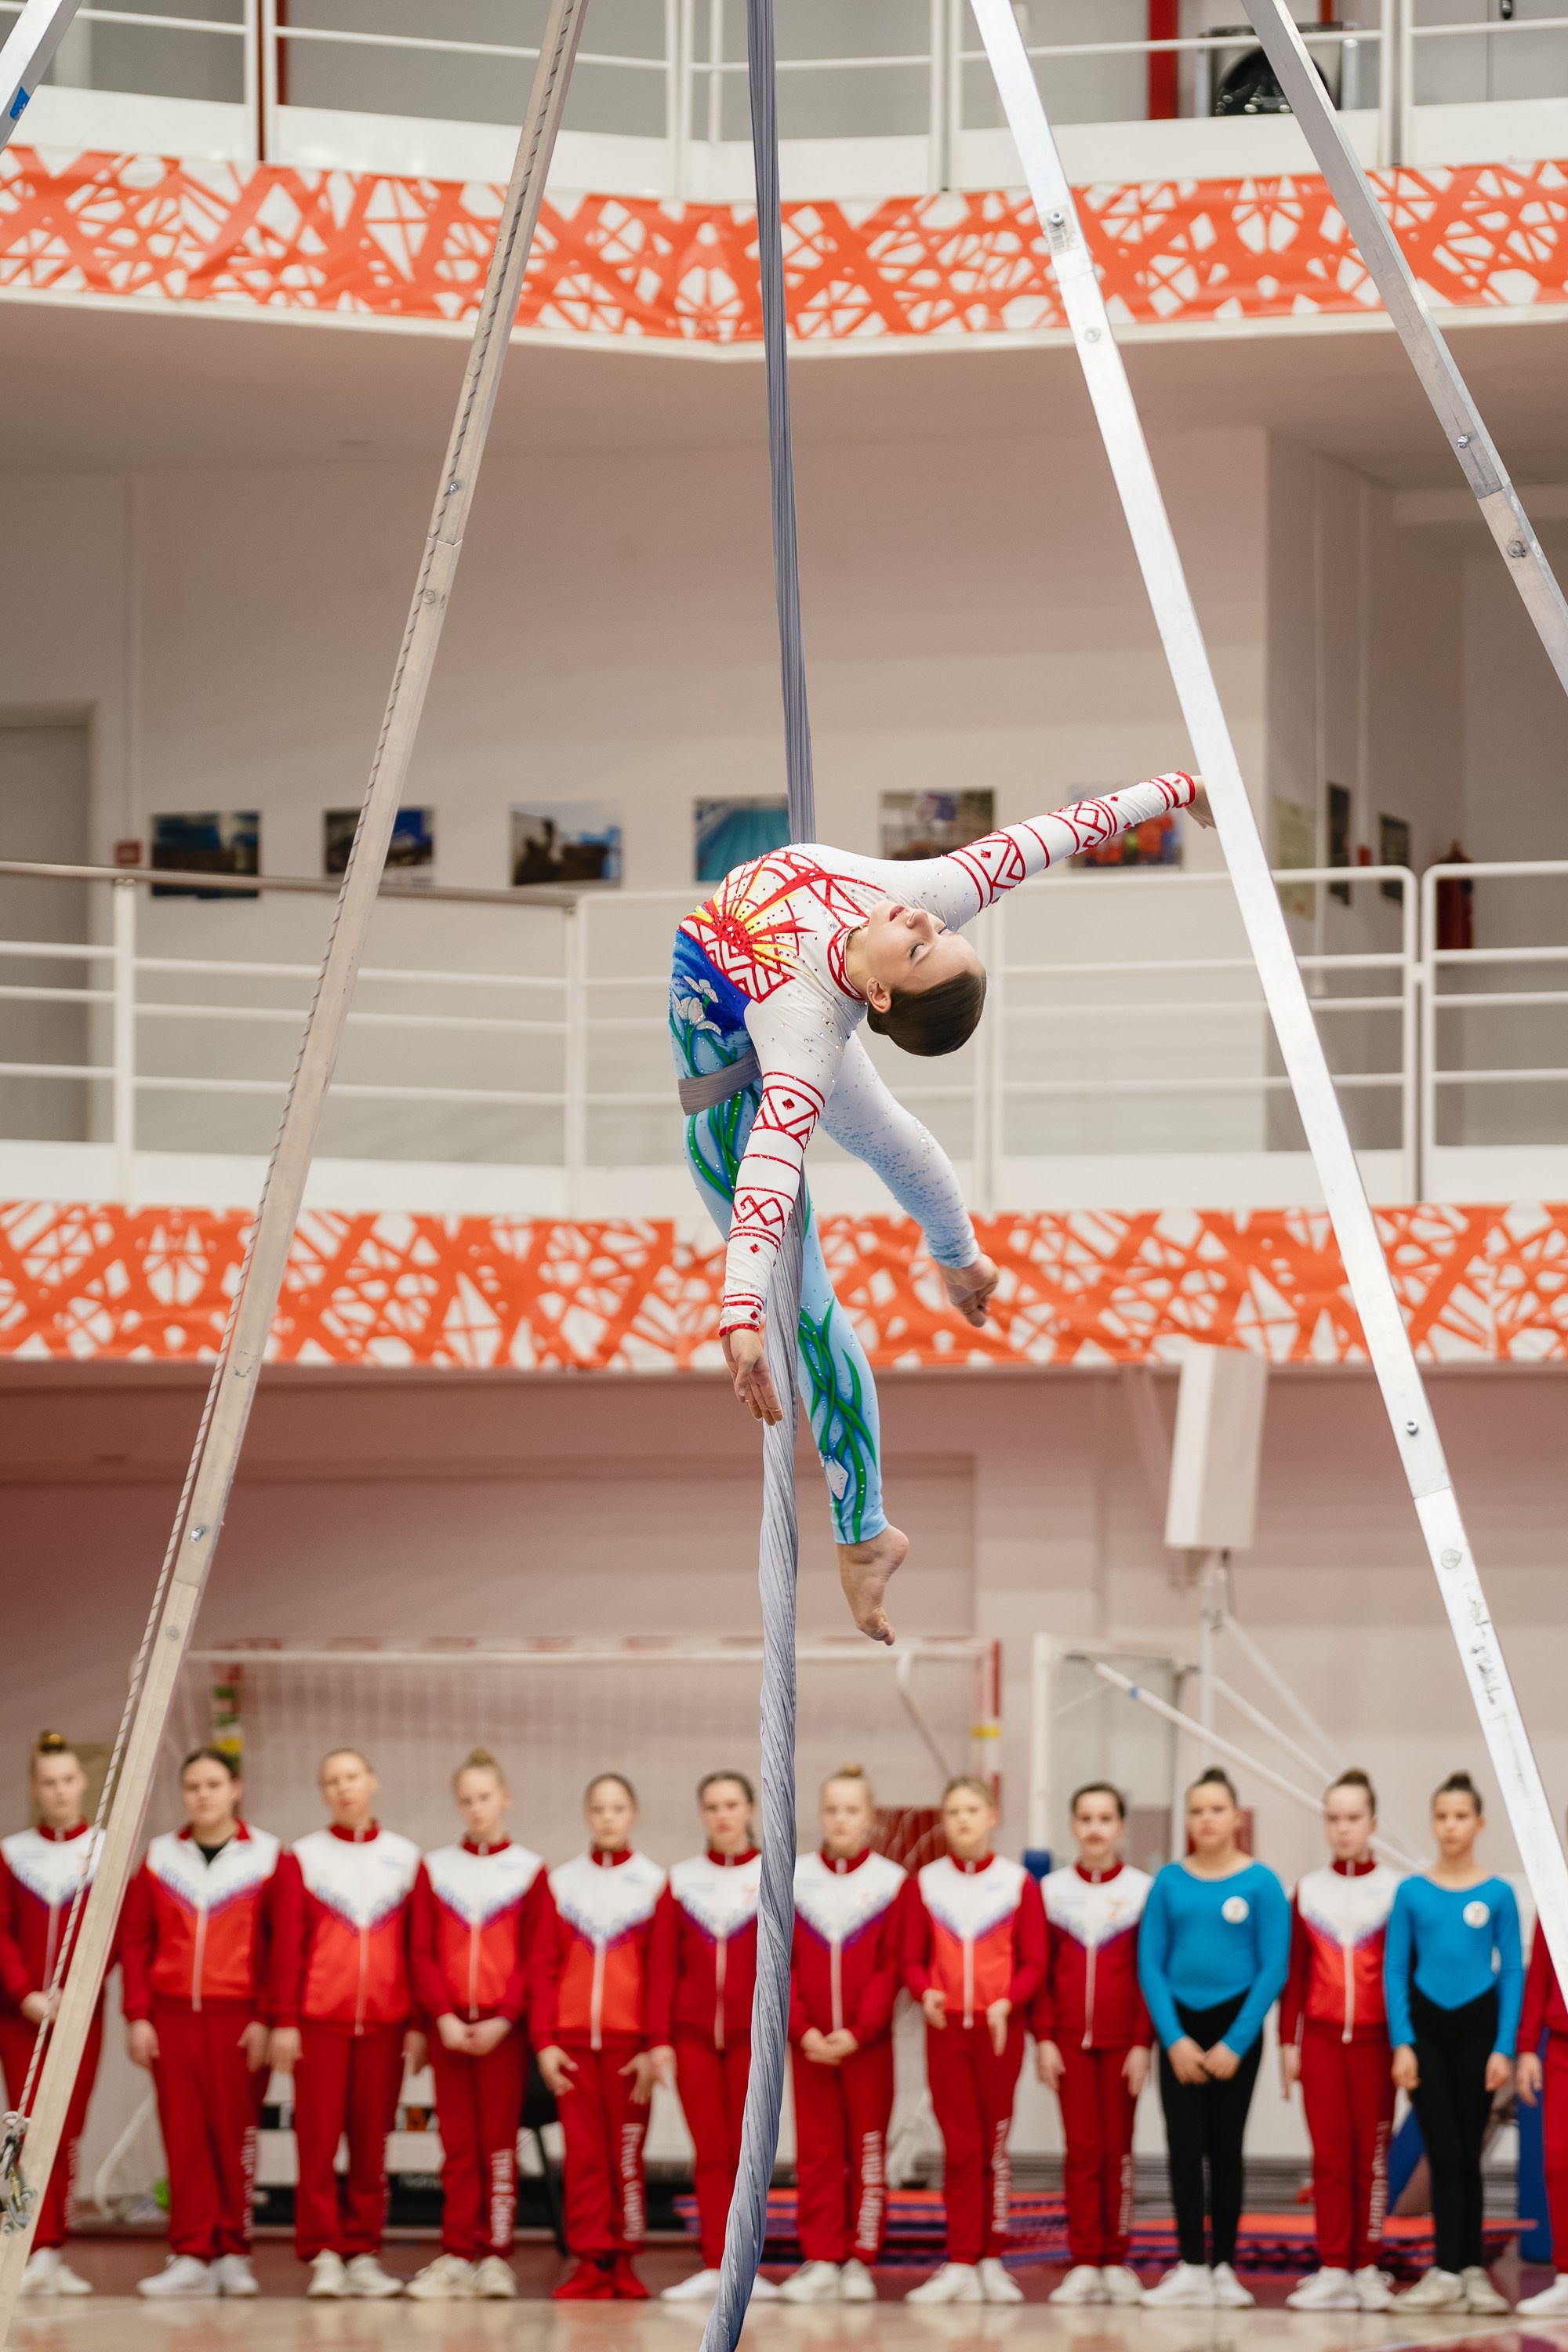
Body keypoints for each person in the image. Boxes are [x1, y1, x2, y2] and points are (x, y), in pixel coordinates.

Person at [673, 772, 1211, 1646]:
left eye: (923, 949)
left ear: (880, 997)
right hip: (761, 1031)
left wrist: (738, 1312)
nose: (925, 924)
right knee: (892, 1140)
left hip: (737, 1077)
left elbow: (769, 1168)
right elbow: (1051, 836)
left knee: (803, 1310)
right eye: (939, 933)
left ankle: (864, 1533)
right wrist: (1179, 787)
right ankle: (960, 1258)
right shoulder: (918, 897)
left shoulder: (804, 1035)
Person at [120, 1746, 279, 2300]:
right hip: (171, 2017)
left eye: (213, 1784)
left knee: (234, 2136)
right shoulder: (161, 1856)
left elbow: (281, 1948)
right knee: (184, 2137)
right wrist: (137, 2014)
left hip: (239, 2019)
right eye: (193, 1787)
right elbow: (136, 1940)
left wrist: (267, 2017)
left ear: (235, 1788)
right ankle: (190, 2252)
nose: (203, 1795)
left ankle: (234, 2252)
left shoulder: (268, 1857)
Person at [266, 1747, 422, 2301]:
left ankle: (362, 2251)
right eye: (331, 1780)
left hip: (385, 2025)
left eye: (352, 1777)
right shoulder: (302, 1858)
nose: (343, 1788)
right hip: (318, 2025)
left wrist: (418, 2024)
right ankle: (324, 2253)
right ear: (323, 1792)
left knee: (371, 2145)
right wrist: (284, 2020)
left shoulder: (405, 1858)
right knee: (316, 2142)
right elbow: (286, 1950)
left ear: (372, 1782)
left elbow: (416, 1948)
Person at [1137, 1766, 1290, 2311]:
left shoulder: (1261, 1883)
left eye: (1216, 1809)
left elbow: (1274, 1968)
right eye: (1197, 1810)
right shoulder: (1169, 1883)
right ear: (1189, 1819)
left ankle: (1224, 2266)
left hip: (1235, 2031)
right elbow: (1150, 1966)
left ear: (1235, 1816)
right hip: (1180, 2027)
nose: (1206, 1819)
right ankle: (1191, 2266)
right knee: (1182, 2148)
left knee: (1226, 2149)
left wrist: (1236, 2042)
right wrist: (1173, 2038)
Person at [406, 1748, 546, 2303]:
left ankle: (496, 2256)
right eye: (466, 1799)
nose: (476, 1807)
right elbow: (421, 1951)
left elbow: (535, 1956)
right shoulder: (435, 1868)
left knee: (499, 2147)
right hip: (449, 2031)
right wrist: (440, 2014)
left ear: (505, 1798)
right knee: (458, 2147)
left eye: (485, 1797)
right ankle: (458, 2252)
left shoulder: (530, 1870)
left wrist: (505, 2019)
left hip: (502, 2035)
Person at [904, 1776, 1045, 2307]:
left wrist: (1010, 2000)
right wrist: (925, 1993)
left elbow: (1034, 1960)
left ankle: (992, 2258)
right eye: (953, 1811)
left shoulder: (1017, 1884)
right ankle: (961, 2259)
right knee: (960, 2149)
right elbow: (910, 1959)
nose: (962, 1819)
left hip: (998, 2032)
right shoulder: (925, 1883)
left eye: (972, 1809)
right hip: (947, 2035)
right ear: (944, 1821)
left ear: (992, 1816)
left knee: (993, 2149)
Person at [1385, 1769, 1520, 2315]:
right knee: (1441, 2151)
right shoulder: (1412, 1892)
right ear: (1433, 1822)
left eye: (1460, 1817)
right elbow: (1395, 1970)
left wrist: (1504, 2047)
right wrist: (1403, 2042)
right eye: (1441, 1816)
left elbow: (1511, 1970)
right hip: (1427, 2032)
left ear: (1479, 1824)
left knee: (1468, 2152)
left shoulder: (1498, 1894)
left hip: (1479, 2031)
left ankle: (1470, 2273)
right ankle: (1443, 2271)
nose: (1450, 1826)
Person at [532, 1773, 665, 2301]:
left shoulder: (657, 1884)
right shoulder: (561, 1884)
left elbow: (660, 1976)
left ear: (632, 1814)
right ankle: (590, 2261)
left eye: (617, 1808)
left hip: (630, 2051)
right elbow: (542, 1968)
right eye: (598, 1809)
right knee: (584, 2157)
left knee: (626, 2156)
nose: (607, 1818)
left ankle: (624, 2259)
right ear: (587, 1816)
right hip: (571, 2051)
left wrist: (654, 2047)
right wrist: (544, 2043)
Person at [780, 1763, 908, 2304]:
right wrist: (803, 2030)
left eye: (851, 1809)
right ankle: (821, 2256)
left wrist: (861, 2031)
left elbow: (892, 1966)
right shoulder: (791, 1877)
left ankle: (860, 2256)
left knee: (867, 2151)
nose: (840, 1818)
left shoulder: (891, 1883)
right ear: (820, 1814)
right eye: (831, 1809)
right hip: (807, 2045)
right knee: (816, 2152)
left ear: (870, 1818)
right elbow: (777, 1964)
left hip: (867, 2047)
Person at [648, 1770, 777, 2306]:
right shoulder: (680, 1881)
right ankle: (712, 2264)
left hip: (754, 2040)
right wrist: (659, 2039)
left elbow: (787, 1965)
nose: (722, 1815)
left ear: (749, 1810)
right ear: (702, 1815)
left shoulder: (777, 1876)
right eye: (712, 1807)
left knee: (749, 2154)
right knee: (710, 2153)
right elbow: (661, 1968)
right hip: (693, 2037)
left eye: (731, 1804)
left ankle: (746, 2268)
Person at [1279, 1768, 1401, 2314]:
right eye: (1333, 1819)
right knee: (1329, 2157)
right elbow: (1295, 1976)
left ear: (1373, 1823)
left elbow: (1403, 1974)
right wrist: (1289, 2043)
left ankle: (1367, 2266)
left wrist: (1406, 2045)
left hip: (1379, 2043)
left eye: (1353, 1819)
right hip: (1323, 2042)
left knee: (1370, 2158)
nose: (1343, 1829)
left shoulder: (1397, 1889)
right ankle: (1333, 2266)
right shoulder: (1308, 1891)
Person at [1033, 1780, 1152, 2307]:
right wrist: (1044, 2039)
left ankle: (1115, 2259)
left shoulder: (1145, 1890)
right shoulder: (1051, 1891)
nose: (1095, 1829)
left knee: (1116, 2153)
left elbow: (1151, 1974)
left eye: (1106, 1819)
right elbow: (1039, 1971)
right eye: (1086, 1819)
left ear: (1121, 1827)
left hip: (1122, 2045)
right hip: (1067, 2045)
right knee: (1081, 2153)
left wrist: (1142, 2043)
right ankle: (1084, 2261)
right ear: (1073, 1826)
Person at [0, 1733, 107, 2298]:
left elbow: (114, 1932)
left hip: (79, 2017)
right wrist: (26, 1995)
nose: (60, 1791)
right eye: (49, 1782)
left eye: (68, 1779)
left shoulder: (105, 1851)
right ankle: (31, 2244)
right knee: (29, 2127)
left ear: (83, 1781)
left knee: (67, 2129)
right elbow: (0, 1932)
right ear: (36, 1788)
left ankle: (54, 2245)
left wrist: (77, 1993)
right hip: (21, 2018)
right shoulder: (13, 1852)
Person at [1515, 1826, 1568, 2318]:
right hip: (1561, 2050)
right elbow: (1539, 1975)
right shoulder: (1554, 1893)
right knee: (1558, 2161)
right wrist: (1527, 2046)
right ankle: (1567, 2276)